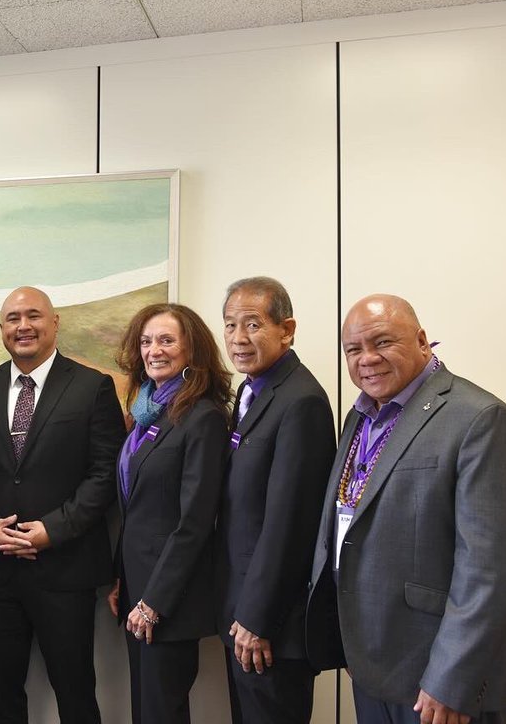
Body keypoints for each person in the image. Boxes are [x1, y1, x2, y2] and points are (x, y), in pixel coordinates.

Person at [305, 294, 506, 724]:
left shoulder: (482, 419)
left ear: (423, 340)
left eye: (382, 342)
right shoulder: (360, 416)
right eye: (353, 350)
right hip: (375, 662)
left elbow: (491, 570)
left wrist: (450, 679)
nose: (367, 359)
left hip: (441, 676)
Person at [0, 286, 125, 724]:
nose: (23, 326)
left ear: (55, 322)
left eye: (33, 316)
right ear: (2, 328)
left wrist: (53, 530)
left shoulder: (92, 387)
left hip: (66, 571)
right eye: (12, 318)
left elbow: (105, 474)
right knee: (1, 696)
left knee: (76, 693)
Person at [215, 278, 335, 724]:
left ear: (287, 330)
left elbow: (292, 523)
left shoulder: (301, 400)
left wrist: (257, 619)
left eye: (252, 324)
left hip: (269, 626)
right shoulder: (251, 389)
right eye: (230, 325)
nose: (238, 338)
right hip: (241, 612)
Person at [107, 302, 230, 724]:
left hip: (167, 601)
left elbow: (194, 522)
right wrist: (121, 577)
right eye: (146, 341)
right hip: (137, 589)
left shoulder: (204, 417)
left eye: (165, 340)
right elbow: (138, 507)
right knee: (145, 710)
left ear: (190, 349)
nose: (153, 350)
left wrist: (153, 602)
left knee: (162, 712)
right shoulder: (146, 412)